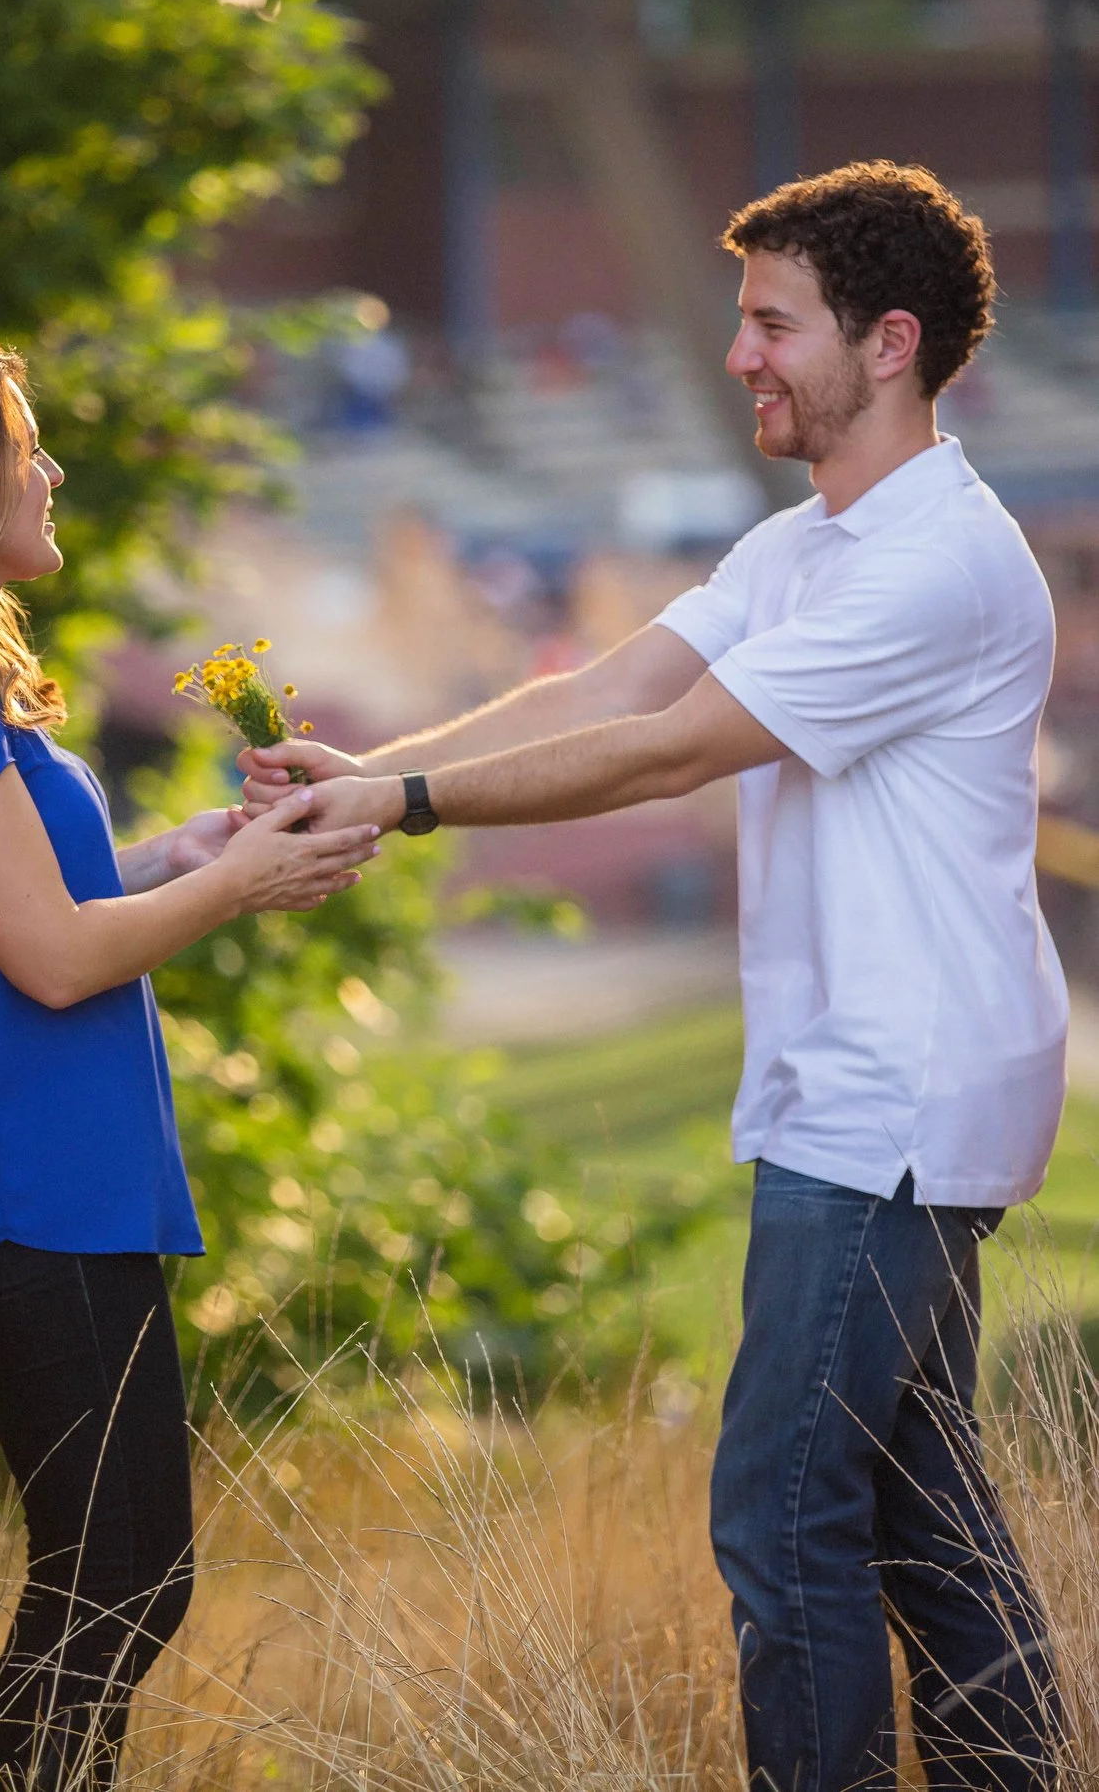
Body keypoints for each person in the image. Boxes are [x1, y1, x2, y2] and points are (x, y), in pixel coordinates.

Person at [242, 162, 1067, 1792]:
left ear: (888, 342)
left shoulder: (938, 564)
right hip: (875, 1085)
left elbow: (671, 749)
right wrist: (374, 770)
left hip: (893, 1098)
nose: (744, 352)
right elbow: (610, 683)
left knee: (779, 1511)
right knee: (918, 1503)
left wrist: (403, 806)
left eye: (774, 322)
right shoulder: (808, 546)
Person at [0, 327, 380, 1792]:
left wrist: (201, 848)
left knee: (119, 1573)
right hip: (21, 1189)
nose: (50, 465)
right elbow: (50, 955)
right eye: (23, 439)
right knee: (116, 1578)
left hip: (69, 1180)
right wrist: (238, 890)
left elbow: (55, 894)